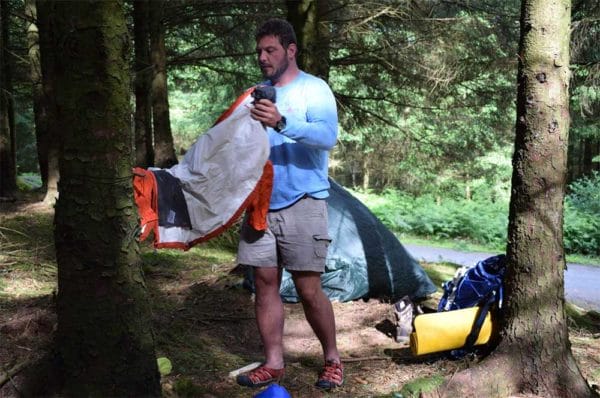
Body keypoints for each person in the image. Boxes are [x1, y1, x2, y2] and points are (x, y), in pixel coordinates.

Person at [235, 18, 343, 390]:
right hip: (261, 203)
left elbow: (327, 136)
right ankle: (274, 362)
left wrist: (282, 122)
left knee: (308, 287)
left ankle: (332, 359)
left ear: (291, 50)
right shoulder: (256, 93)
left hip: (304, 200)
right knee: (264, 283)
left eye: (271, 50)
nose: (263, 58)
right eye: (260, 52)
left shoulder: (315, 89)